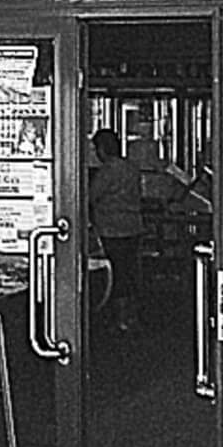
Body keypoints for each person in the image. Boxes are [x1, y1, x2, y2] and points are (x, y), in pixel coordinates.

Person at [88, 129, 146, 333]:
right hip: (133, 226)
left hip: (112, 229)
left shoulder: (107, 171)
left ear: (103, 148)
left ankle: (120, 319)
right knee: (131, 273)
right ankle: (132, 317)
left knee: (117, 274)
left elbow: (92, 196)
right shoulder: (131, 168)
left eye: (96, 148)